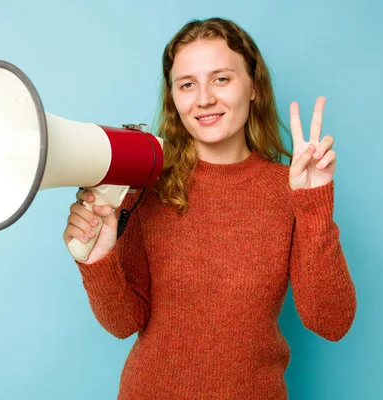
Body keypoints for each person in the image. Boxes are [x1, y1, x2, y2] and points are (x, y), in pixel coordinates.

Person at [63, 17, 356, 400]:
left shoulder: (289, 191)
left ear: (253, 87)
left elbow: (331, 322)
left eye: (221, 79)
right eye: (187, 84)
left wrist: (314, 204)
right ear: (174, 99)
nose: (204, 99)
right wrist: (98, 260)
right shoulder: (148, 186)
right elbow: (123, 323)